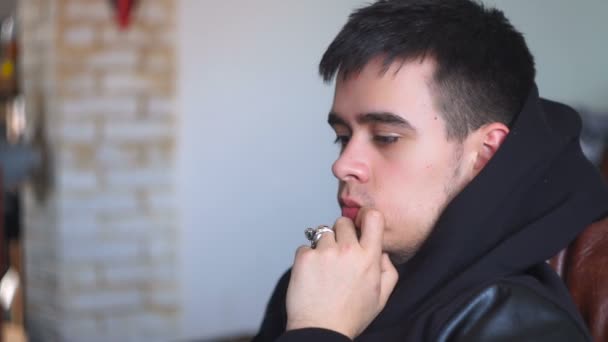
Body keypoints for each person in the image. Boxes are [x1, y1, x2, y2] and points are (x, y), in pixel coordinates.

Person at [252, 0, 608, 341]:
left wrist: (318, 328)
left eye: (386, 138)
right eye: (343, 138)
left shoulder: (512, 322)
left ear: (484, 151)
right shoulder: (320, 283)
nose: (343, 165)